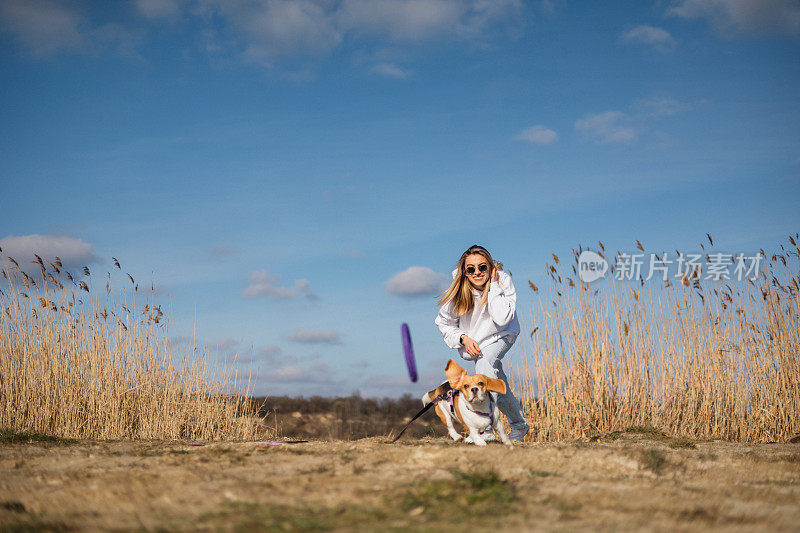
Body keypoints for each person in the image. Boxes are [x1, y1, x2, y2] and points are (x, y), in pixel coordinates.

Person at [434, 244, 529, 441]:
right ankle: (519, 424)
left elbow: (503, 319)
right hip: (475, 341)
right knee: (494, 383)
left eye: (482, 267)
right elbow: (444, 323)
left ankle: (485, 429)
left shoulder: (502, 281)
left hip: (501, 334)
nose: (477, 272)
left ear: (490, 267)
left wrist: (494, 286)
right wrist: (463, 338)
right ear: (465, 272)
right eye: (471, 269)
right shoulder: (459, 289)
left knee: (485, 366)